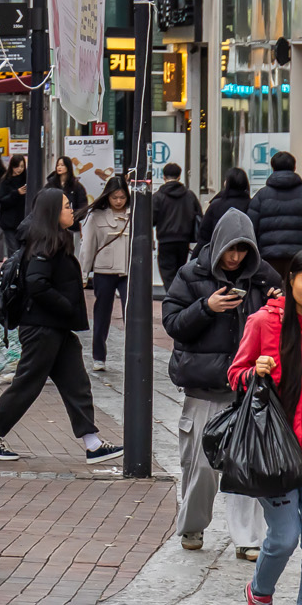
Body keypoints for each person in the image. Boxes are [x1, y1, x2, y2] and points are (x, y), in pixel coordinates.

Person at [163, 208, 277, 555]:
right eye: (231, 249)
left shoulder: (262, 276)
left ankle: (248, 540)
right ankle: (192, 526)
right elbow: (173, 323)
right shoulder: (191, 274)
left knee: (248, 464)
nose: (235, 257)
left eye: (243, 250)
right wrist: (206, 307)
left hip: (247, 386)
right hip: (204, 385)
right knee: (199, 465)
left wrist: (279, 305)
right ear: (218, 245)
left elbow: (282, 325)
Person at [0, 188, 123, 465]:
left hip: (56, 327)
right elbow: (37, 283)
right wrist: (66, 306)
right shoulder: (44, 244)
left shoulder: (55, 238)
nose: (71, 210)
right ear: (52, 212)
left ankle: (93, 443)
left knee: (76, 383)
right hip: (42, 328)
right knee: (27, 384)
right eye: (66, 206)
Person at [235, 262, 302, 599]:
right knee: (285, 536)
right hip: (273, 447)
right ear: (291, 278)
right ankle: (259, 592)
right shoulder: (263, 321)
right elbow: (235, 374)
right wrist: (255, 371)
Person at [79, 177, 133, 370]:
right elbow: (87, 247)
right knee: (102, 313)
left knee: (131, 314)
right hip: (104, 270)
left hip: (128, 271)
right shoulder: (96, 216)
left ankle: (133, 355)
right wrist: (83, 274)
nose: (118, 201)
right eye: (114, 197)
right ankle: (99, 356)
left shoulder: (135, 214)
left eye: (122, 197)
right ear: (107, 196)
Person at [251, 151, 302, 281]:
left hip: (269, 258)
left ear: (272, 168)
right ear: (294, 167)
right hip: (298, 256)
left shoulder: (261, 195)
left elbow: (251, 227)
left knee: (273, 290)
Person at [200, 167, 255, 251]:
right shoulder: (252, 204)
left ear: (226, 183)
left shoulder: (216, 205)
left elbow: (204, 235)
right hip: (245, 251)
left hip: (218, 251)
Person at [0, 154, 30, 258]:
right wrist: (16, 193)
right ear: (12, 166)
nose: (19, 169)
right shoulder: (6, 181)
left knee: (22, 249)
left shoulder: (27, 180)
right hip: (9, 221)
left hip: (23, 220)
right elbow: (2, 200)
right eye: (17, 166)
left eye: (22, 166)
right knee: (13, 249)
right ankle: (13, 267)